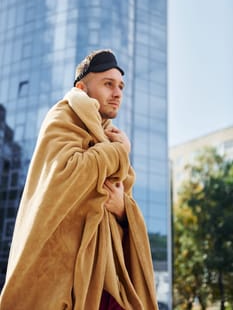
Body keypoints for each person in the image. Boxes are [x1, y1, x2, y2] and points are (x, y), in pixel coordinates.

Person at [0, 49, 158, 310]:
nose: (118, 93)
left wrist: (122, 210)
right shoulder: (63, 117)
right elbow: (70, 173)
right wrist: (119, 151)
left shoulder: (111, 136)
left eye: (120, 86)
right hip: (64, 281)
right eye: (108, 84)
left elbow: (120, 197)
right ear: (82, 88)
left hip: (108, 278)